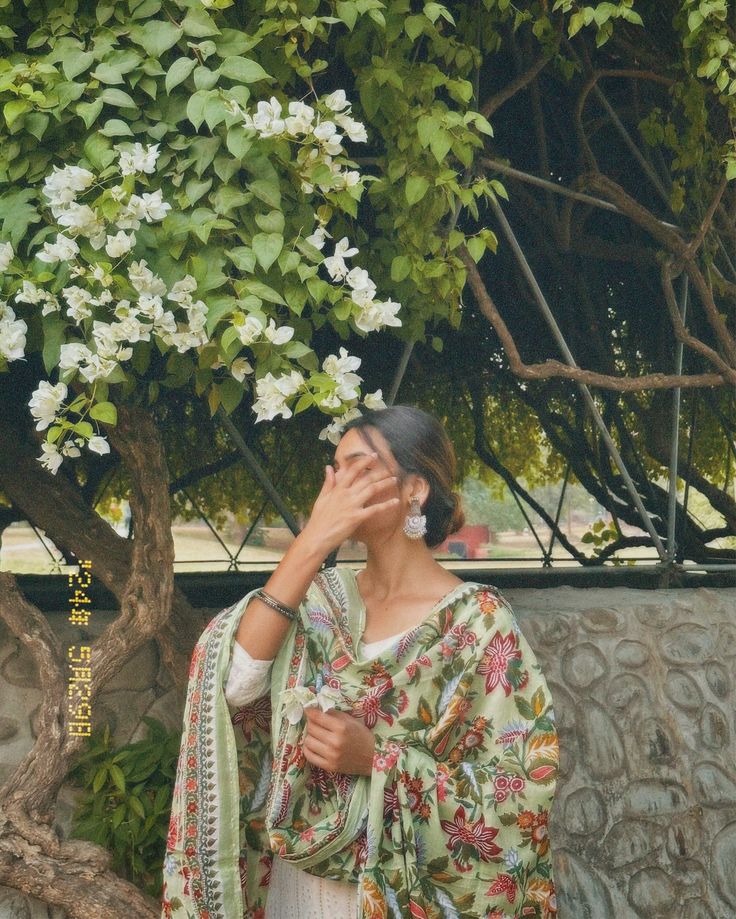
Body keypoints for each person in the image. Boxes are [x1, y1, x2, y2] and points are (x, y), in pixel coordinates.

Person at [161, 405, 558, 919]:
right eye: (335, 470)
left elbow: (520, 796)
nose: (337, 488)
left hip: (397, 893)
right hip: (297, 884)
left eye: (359, 468)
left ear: (414, 489)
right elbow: (233, 685)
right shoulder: (317, 601)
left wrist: (377, 758)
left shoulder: (478, 625)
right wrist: (312, 543)